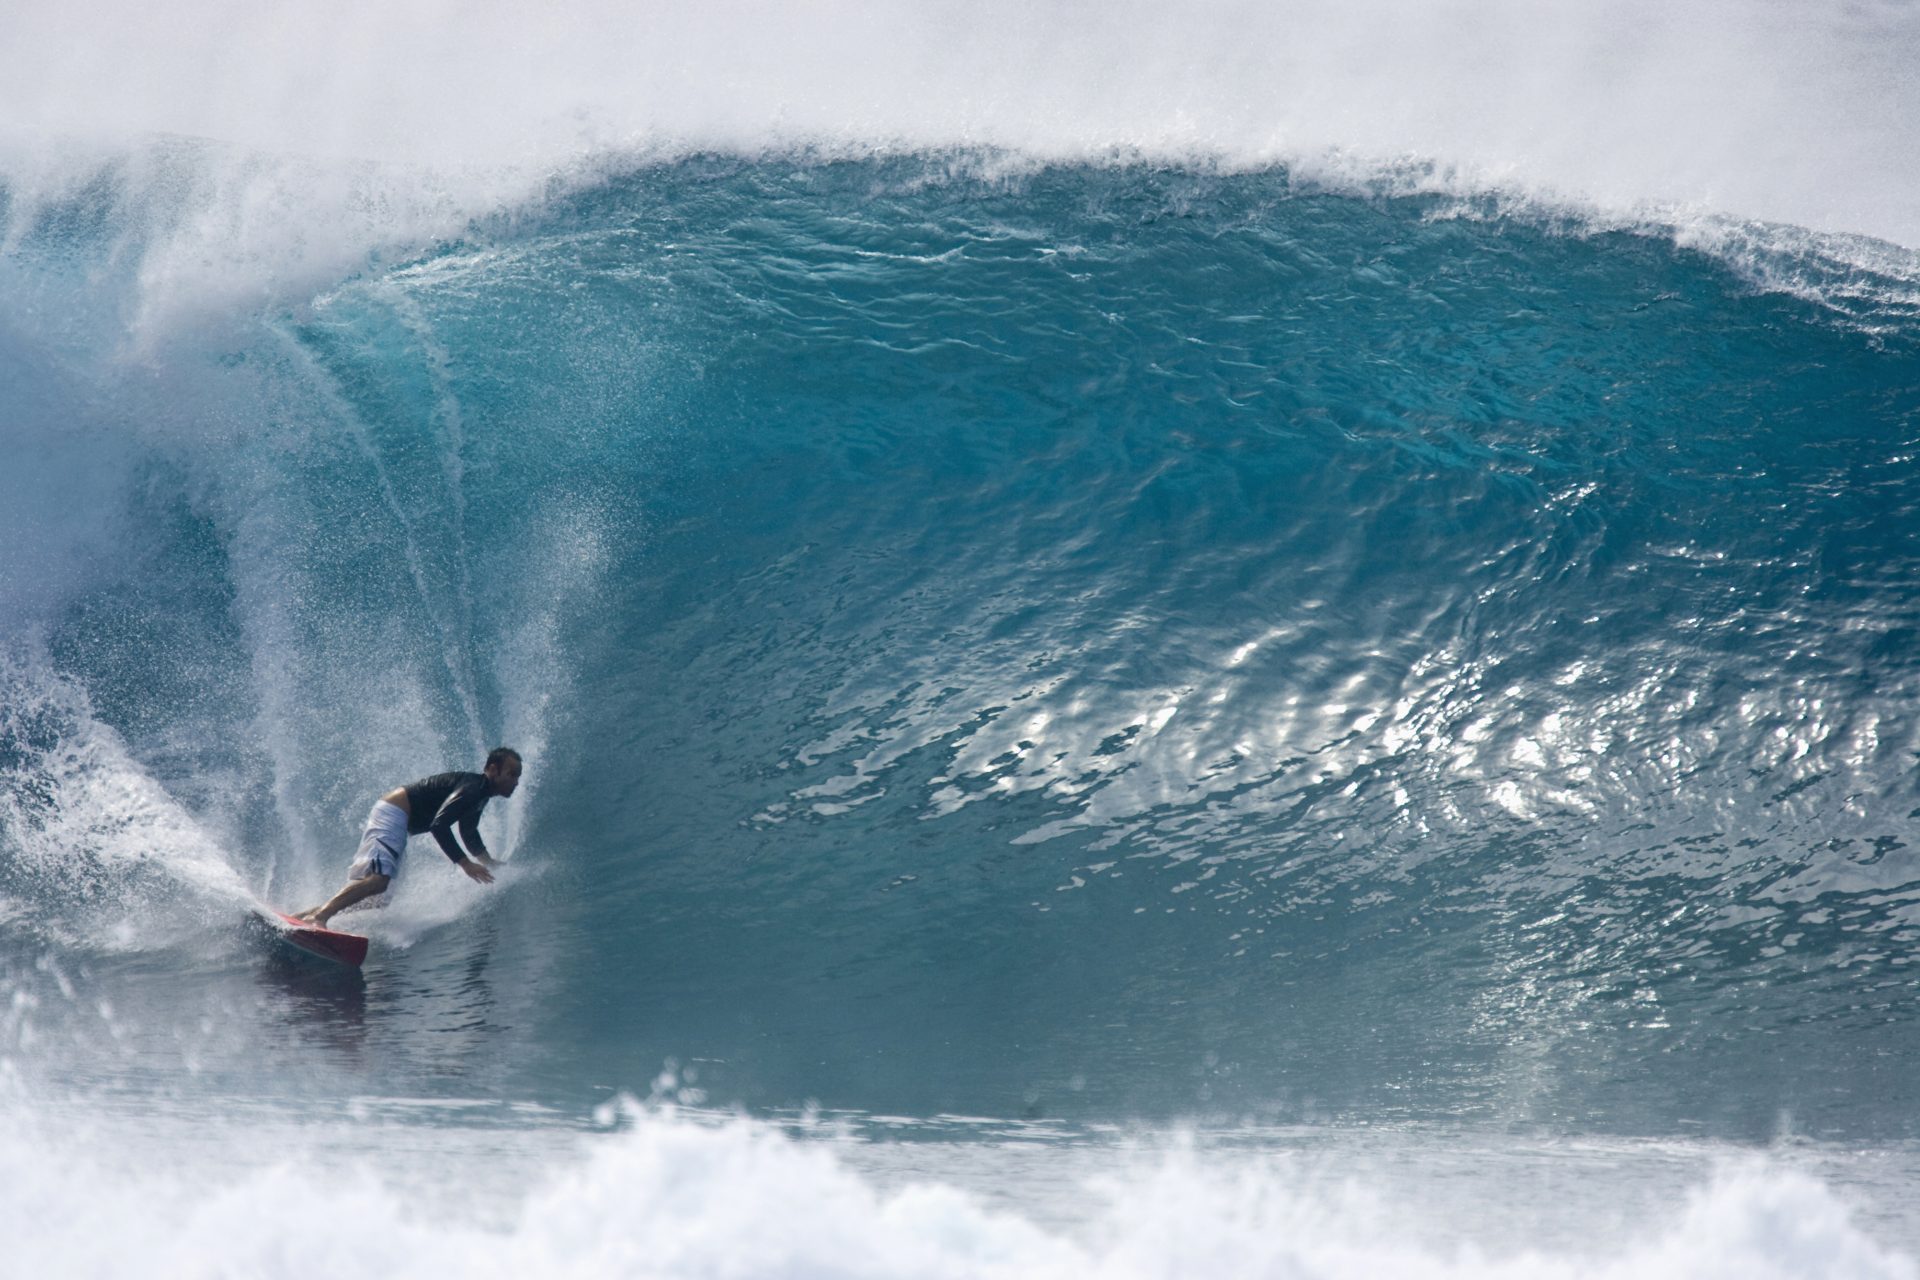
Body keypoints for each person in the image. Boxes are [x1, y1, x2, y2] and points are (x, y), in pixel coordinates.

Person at [297, 747, 523, 928]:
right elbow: (439, 825)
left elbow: (469, 832)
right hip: (394, 812)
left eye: (518, 776)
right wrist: (464, 864)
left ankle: (311, 914)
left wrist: (489, 862)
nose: (515, 782)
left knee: (377, 898)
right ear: (493, 769)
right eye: (512, 774)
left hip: (400, 824)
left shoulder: (480, 796)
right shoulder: (472, 788)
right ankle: (321, 918)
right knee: (378, 880)